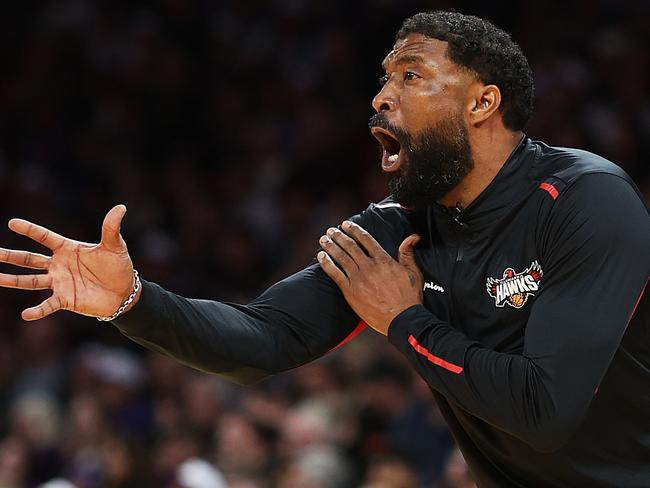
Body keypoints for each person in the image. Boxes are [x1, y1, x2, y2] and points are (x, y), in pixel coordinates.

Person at [0, 10, 648, 487]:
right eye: (384, 77)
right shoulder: (397, 227)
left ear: (482, 102)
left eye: (411, 76)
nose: (381, 97)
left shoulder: (587, 200)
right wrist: (133, 302)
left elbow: (544, 410)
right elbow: (260, 342)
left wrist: (405, 322)